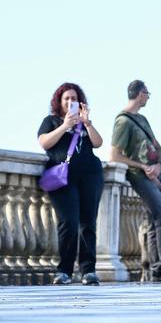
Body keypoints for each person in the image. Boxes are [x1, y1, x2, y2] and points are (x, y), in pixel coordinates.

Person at [109, 80, 161, 282]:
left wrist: (159, 164)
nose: (148, 97)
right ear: (140, 94)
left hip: (155, 175)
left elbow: (156, 145)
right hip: (140, 177)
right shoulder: (123, 122)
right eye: (147, 93)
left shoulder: (142, 119)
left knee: (155, 220)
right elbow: (115, 156)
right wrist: (143, 167)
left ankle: (157, 268)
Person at [37, 83, 104, 286]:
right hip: (62, 177)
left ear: (79, 101)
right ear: (59, 101)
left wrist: (88, 123)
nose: (70, 102)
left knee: (88, 222)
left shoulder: (84, 123)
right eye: (66, 98)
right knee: (69, 222)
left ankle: (88, 270)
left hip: (90, 175)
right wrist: (65, 126)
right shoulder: (51, 121)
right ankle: (64, 271)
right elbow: (44, 142)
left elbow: (98, 143)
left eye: (73, 98)